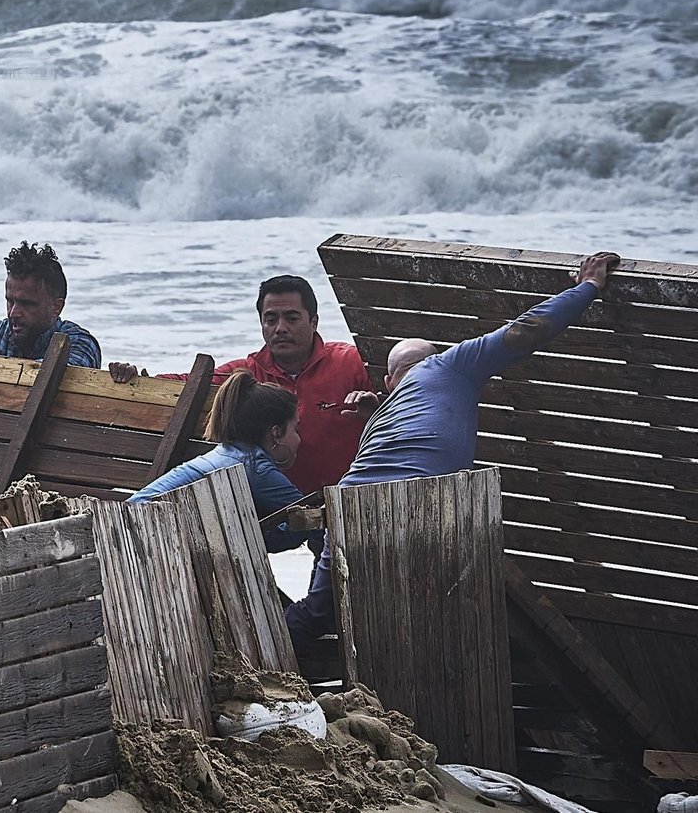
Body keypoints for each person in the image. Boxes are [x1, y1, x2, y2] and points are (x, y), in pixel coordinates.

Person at [284, 251, 620, 654]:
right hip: (416, 507)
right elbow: (525, 332)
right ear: (434, 356)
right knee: (425, 610)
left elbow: (394, 449)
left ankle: (253, 662)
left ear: (391, 381)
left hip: (348, 504)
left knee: (318, 613)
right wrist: (588, 287)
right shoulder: (450, 364)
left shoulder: (388, 411)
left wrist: (375, 413)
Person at [109, 275, 369, 494]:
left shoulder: (352, 362)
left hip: (346, 497)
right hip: (270, 502)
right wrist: (138, 379)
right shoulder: (245, 373)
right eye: (271, 319)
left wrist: (377, 410)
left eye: (292, 318)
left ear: (314, 322)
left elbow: (400, 396)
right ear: (261, 324)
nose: (280, 328)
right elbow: (185, 385)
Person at [128, 369, 319, 554]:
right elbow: (312, 518)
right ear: (276, 432)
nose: (300, 439)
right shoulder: (256, 468)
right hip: (142, 532)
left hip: (130, 524)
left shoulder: (228, 453)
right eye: (296, 429)